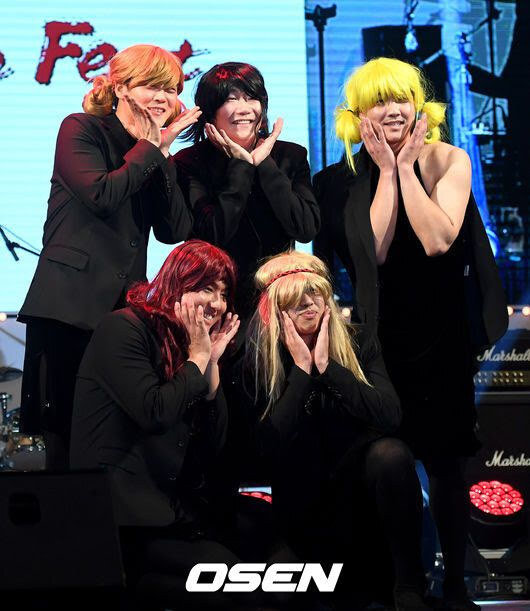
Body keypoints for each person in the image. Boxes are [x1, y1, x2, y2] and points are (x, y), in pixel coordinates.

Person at [313, 57, 508, 610]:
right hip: (379, 341)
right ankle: (405, 581)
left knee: (448, 464)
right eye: (380, 101)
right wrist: (384, 172)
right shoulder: (336, 180)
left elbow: (437, 240)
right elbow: (371, 253)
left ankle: (456, 584)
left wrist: (404, 170)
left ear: (420, 106)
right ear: (358, 116)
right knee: (389, 458)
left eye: (402, 98)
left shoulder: (449, 160)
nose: (393, 110)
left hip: (443, 334)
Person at [18, 44, 201, 469]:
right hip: (69, 306)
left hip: (124, 311)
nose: (163, 98)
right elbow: (100, 194)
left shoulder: (155, 150)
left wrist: (163, 156)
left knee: (116, 433)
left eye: (170, 90)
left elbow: (175, 230)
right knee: (65, 434)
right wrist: (150, 150)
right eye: (152, 86)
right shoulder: (81, 128)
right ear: (120, 87)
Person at [70, 240, 276, 610]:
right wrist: (198, 359)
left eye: (223, 293)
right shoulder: (124, 328)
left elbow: (214, 444)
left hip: (169, 516)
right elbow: (155, 412)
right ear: (177, 283)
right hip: (120, 520)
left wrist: (211, 366)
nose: (217, 303)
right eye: (206, 288)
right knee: (231, 588)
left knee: (250, 581)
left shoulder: (190, 346)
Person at [241, 250, 432, 610]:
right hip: (303, 508)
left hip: (361, 505)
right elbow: (264, 449)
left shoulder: (359, 342)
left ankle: (409, 584)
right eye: (296, 298)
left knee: (390, 454)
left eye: (315, 293)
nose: (308, 304)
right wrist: (302, 372)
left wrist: (329, 368)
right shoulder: (259, 357)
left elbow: (390, 416)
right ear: (276, 311)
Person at [174, 62, 320, 324]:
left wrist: (265, 164)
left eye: (251, 97)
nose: (243, 108)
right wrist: (242, 166)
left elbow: (305, 228)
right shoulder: (189, 162)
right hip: (216, 304)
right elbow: (212, 235)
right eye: (231, 99)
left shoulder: (291, 155)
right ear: (210, 111)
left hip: (278, 301)